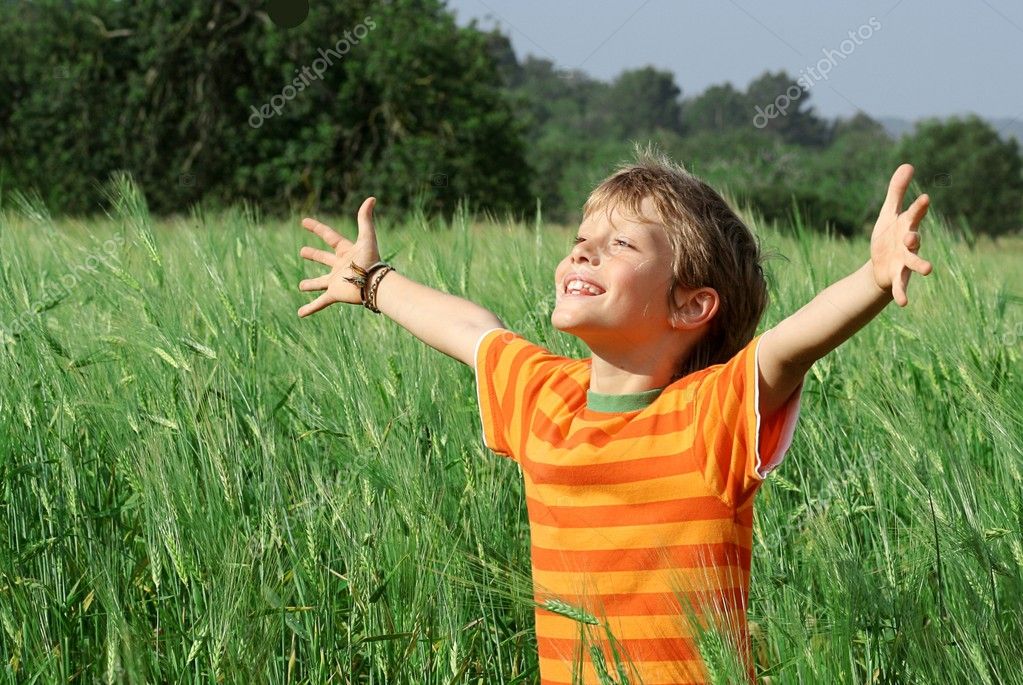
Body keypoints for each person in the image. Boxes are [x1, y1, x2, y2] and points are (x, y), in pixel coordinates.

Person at [296, 145, 933, 684]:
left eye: (620, 244)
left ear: (691, 306)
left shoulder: (709, 415)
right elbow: (472, 330)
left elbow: (788, 348)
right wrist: (372, 281)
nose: (583, 253)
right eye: (581, 240)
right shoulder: (546, 396)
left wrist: (873, 279)